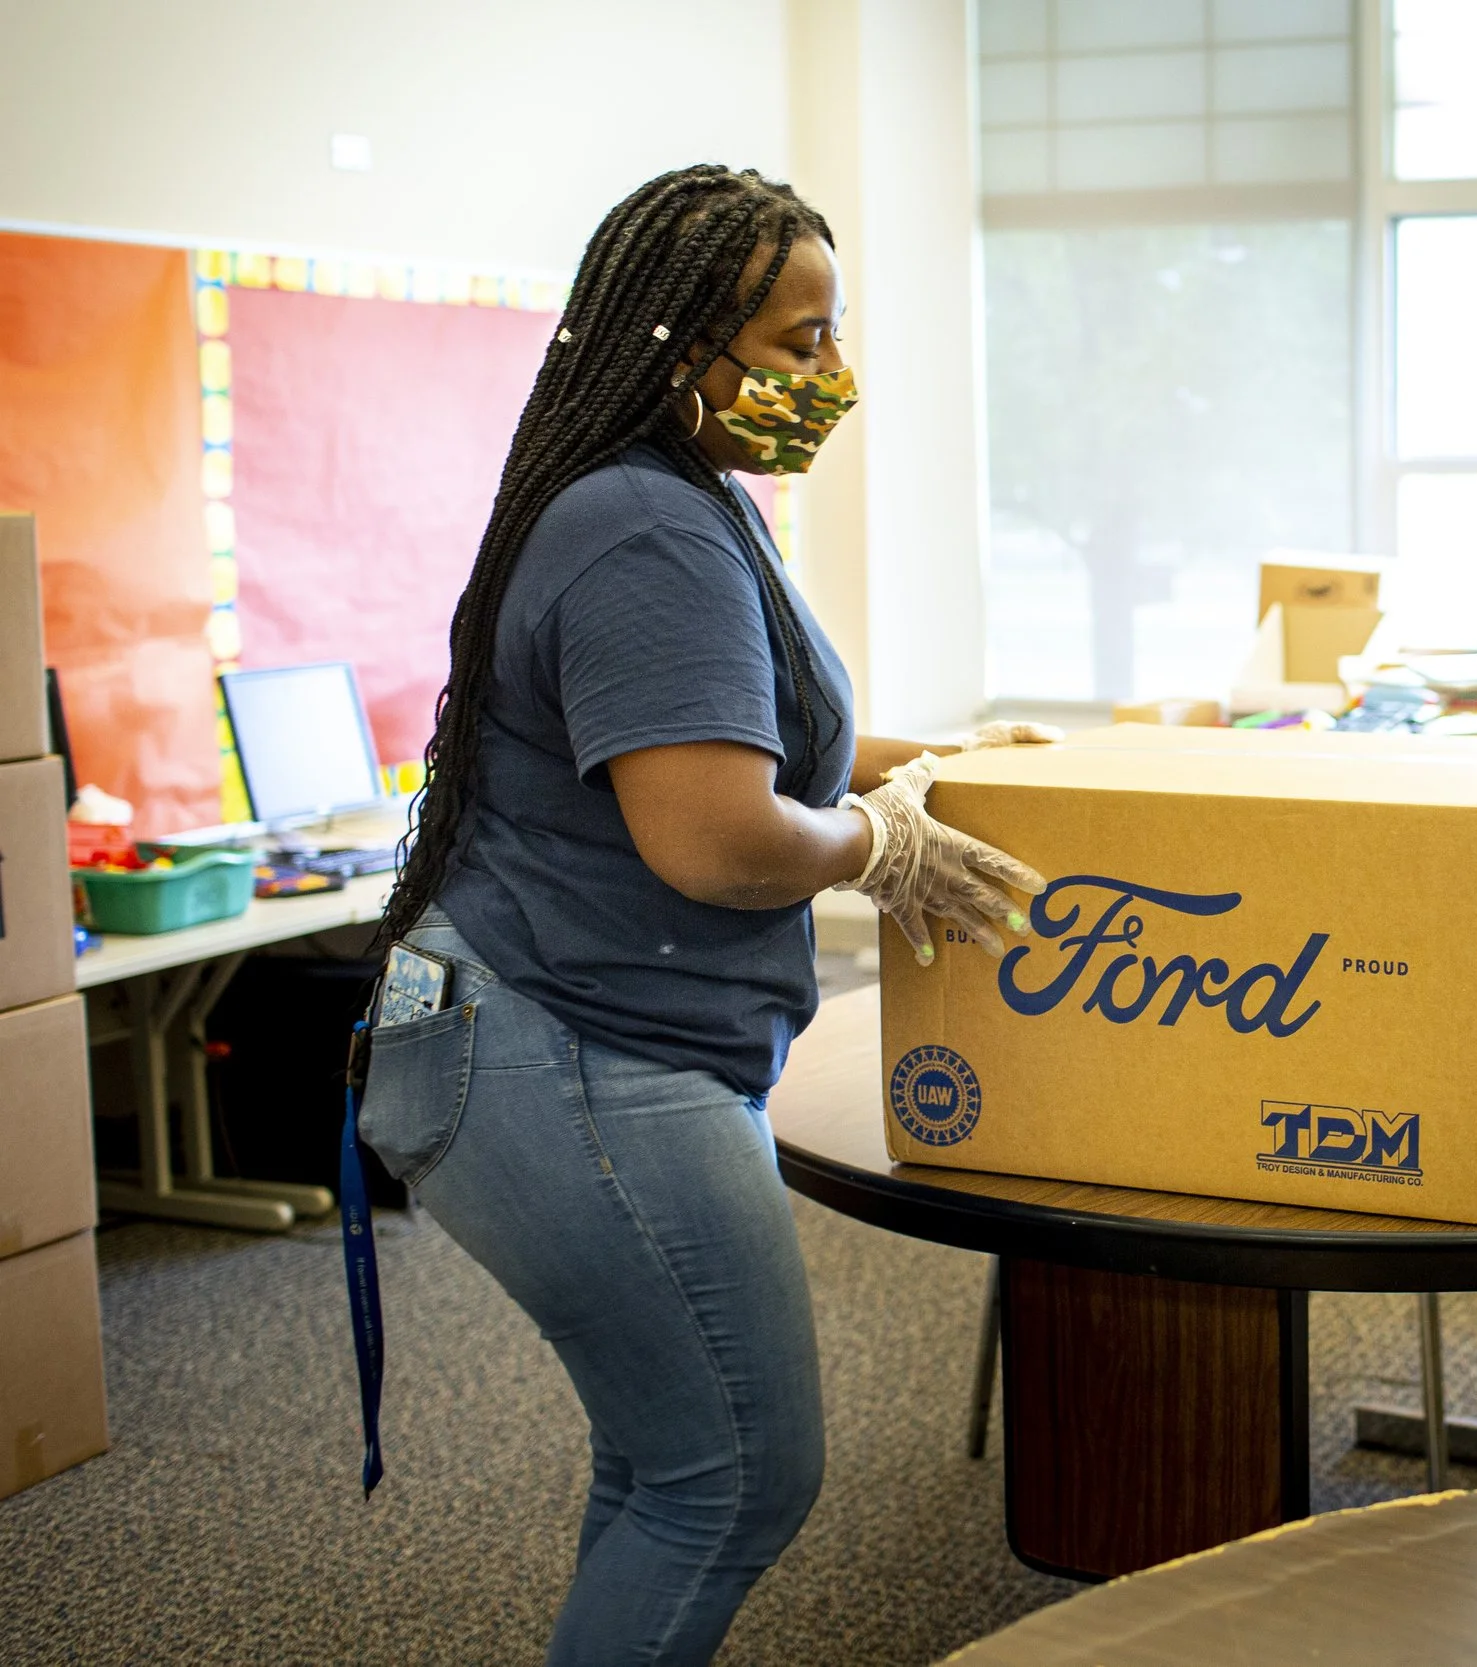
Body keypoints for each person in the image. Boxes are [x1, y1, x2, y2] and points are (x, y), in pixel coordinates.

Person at [359, 164, 1048, 1665]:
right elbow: (718, 838)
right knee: (736, 1471)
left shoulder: (668, 501)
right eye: (802, 344)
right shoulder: (646, 531)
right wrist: (886, 845)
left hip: (539, 1030)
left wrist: (939, 762)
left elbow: (734, 734)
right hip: (572, 1053)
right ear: (685, 351)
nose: (832, 376)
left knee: (666, 1453)